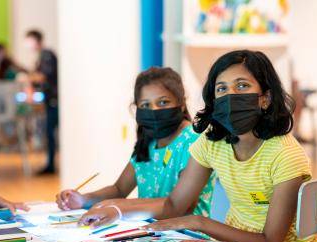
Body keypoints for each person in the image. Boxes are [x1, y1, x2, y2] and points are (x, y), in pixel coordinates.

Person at [79, 50, 317, 242]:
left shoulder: (286, 155)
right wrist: (117, 210)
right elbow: (174, 205)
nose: (230, 95)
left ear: (265, 98)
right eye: (222, 89)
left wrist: (199, 223)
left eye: (242, 86)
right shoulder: (212, 143)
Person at [56, 67, 214, 226]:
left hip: (190, 238)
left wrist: (118, 209)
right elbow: (119, 189)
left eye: (163, 102)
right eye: (146, 105)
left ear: (181, 104)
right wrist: (83, 199)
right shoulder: (148, 143)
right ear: (136, 108)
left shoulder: (194, 142)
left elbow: (179, 206)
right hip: (151, 235)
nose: (154, 111)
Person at [25, 30, 58, 175]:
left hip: (54, 101)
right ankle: (49, 164)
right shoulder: (42, 56)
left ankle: (50, 165)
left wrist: (28, 78)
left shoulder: (47, 55)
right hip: (50, 100)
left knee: (50, 132)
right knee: (48, 133)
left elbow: (42, 76)